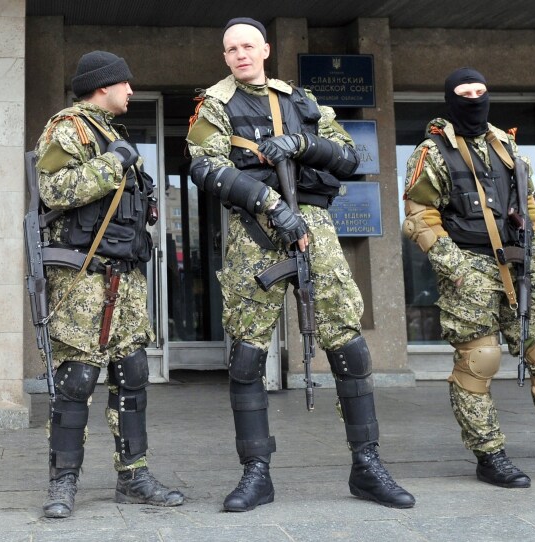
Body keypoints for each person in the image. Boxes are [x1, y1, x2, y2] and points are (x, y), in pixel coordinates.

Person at [186, 18, 415, 511]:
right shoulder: (214, 104)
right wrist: (270, 206)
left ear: (265, 49)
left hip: (315, 228)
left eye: (248, 45)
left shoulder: (303, 102)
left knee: (348, 344)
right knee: (247, 355)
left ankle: (368, 464)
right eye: (231, 49)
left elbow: (352, 158)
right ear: (224, 56)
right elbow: (204, 166)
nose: (240, 54)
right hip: (254, 230)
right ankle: (256, 472)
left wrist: (305, 144)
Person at [402, 68, 535, 487]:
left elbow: (532, 209)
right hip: (470, 268)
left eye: (480, 92)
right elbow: (420, 217)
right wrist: (457, 268)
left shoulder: (508, 147)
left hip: (519, 269)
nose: (474, 99)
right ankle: (490, 456)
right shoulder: (433, 151)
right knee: (478, 363)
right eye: (465, 94)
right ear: (451, 99)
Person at [32, 50, 185, 518]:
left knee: (133, 374)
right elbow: (53, 191)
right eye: (125, 84)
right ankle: (62, 483)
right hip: (83, 280)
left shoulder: (110, 134)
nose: (132, 92)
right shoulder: (69, 129)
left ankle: (134, 476)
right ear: (104, 86)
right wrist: (113, 164)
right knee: (77, 379)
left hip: (126, 278)